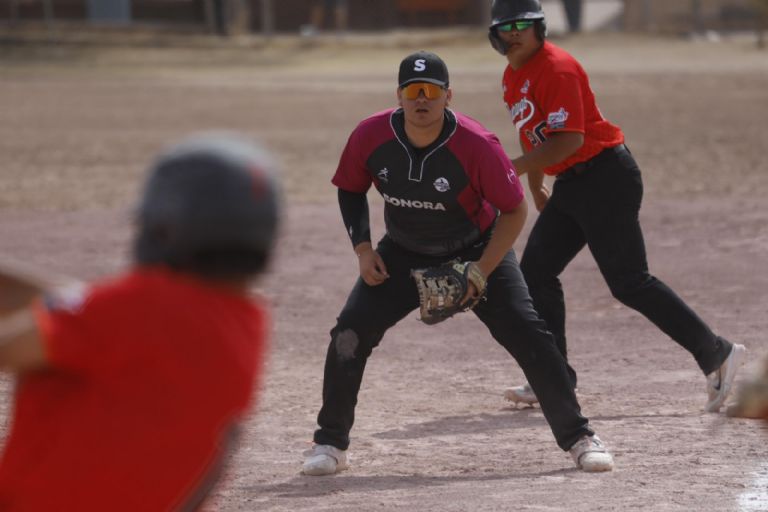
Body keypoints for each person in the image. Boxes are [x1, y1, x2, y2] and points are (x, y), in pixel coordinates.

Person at [302, 50, 614, 477]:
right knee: (349, 333)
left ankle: (580, 436)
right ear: (399, 96)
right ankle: (329, 443)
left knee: (528, 332)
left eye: (431, 90)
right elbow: (351, 188)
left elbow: (514, 210)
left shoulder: (476, 145)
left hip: (477, 247)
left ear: (448, 95)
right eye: (413, 91)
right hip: (404, 249)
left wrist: (482, 270)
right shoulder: (370, 136)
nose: (422, 99)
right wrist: (363, 248)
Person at [486, 0, 746, 411]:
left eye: (525, 24)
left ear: (540, 28)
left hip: (606, 176)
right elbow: (532, 134)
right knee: (535, 272)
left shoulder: (557, 67)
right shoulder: (512, 76)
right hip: (572, 183)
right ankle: (555, 379)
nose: (515, 32)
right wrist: (535, 184)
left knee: (629, 281)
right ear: (494, 34)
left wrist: (513, 170)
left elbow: (569, 139)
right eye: (507, 26)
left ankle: (716, 351)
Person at [0, 133, 281, 510]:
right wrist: (82, 304)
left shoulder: (135, 309)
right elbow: (103, 315)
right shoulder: (247, 322)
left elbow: (9, 346)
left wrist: (83, 306)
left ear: (164, 226)